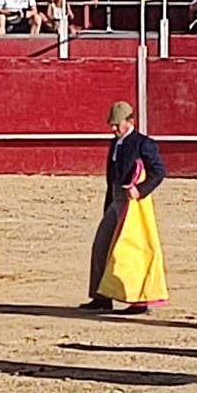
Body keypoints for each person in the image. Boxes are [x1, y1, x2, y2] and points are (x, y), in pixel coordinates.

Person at [81, 101, 167, 315]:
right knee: (101, 245)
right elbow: (112, 179)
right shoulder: (115, 143)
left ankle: (139, 301)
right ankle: (101, 296)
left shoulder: (143, 143)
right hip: (116, 200)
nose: (113, 129)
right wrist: (109, 203)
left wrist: (141, 189)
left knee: (132, 250)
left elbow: (159, 171)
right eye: (111, 125)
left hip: (133, 204)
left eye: (116, 124)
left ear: (130, 121)